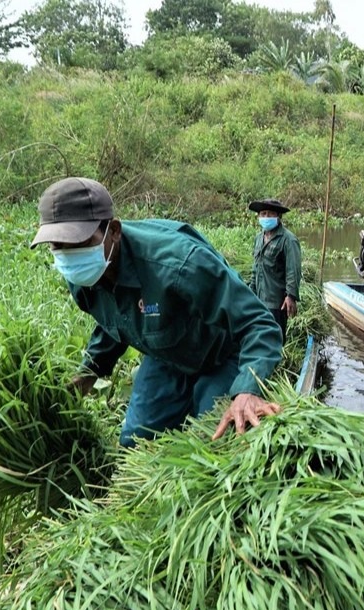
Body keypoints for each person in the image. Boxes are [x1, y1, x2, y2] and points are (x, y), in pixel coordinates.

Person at [31, 177, 284, 446]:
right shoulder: (81, 274)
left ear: (113, 231)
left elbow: (259, 323)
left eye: (79, 242)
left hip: (223, 353)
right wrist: (90, 370)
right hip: (167, 354)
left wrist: (247, 389)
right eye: (57, 245)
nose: (69, 255)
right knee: (135, 441)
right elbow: (115, 318)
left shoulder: (179, 264)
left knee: (214, 440)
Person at [248, 198, 303, 339]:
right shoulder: (258, 238)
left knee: (274, 339)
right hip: (258, 300)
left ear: (278, 216)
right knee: (258, 337)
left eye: (270, 214)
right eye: (263, 214)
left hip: (277, 303)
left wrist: (290, 296)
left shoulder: (288, 239)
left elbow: (293, 270)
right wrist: (250, 292)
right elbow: (256, 268)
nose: (266, 217)